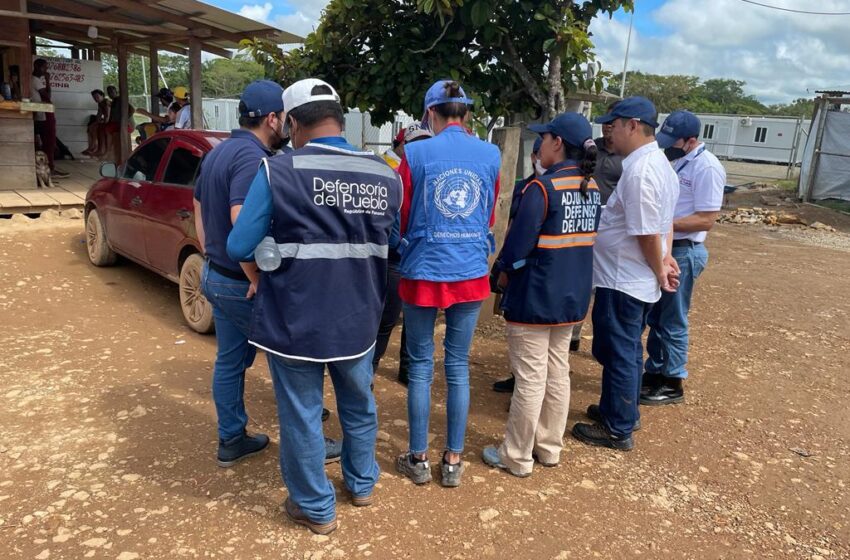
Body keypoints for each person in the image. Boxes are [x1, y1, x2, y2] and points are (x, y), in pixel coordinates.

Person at [227, 78, 401, 535]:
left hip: (295, 318)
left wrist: (275, 248)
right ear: (339, 119)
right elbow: (392, 243)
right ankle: (362, 484)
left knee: (303, 412)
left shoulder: (278, 171)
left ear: (291, 122)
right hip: (360, 316)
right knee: (359, 404)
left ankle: (315, 507)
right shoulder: (384, 172)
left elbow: (239, 243)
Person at [195, 80, 339, 469]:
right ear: (274, 119)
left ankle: (231, 437)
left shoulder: (218, 152)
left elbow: (198, 209)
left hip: (216, 276)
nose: (290, 128)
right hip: (244, 283)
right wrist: (256, 277)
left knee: (229, 361)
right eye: (287, 120)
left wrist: (212, 258)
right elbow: (241, 223)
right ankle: (313, 445)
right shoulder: (253, 159)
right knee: (290, 367)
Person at [394, 79, 500, 488]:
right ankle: (453, 460)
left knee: (420, 366)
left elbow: (401, 215)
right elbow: (488, 215)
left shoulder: (414, 153)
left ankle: (418, 458)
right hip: (469, 271)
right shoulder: (490, 154)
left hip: (423, 270)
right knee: (457, 366)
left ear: (430, 115)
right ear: (467, 114)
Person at [482, 112, 601, 477]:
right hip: (571, 298)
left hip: (535, 297)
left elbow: (517, 248)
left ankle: (516, 455)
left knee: (531, 378)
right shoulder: (592, 187)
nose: (540, 147)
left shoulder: (542, 189)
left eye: (544, 139)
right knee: (558, 373)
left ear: (557, 143)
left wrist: (498, 274)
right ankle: (549, 448)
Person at [571, 96, 679, 451]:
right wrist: (664, 259)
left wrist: (660, 265)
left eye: (614, 125)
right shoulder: (656, 165)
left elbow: (647, 231)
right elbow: (665, 225)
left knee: (618, 352)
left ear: (632, 125)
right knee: (627, 350)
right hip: (631, 278)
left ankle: (618, 429)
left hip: (624, 279)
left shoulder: (641, 170)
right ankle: (618, 411)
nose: (609, 132)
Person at [642, 110, 725, 405]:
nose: (668, 146)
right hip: (669, 247)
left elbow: (706, 219)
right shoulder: (678, 160)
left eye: (674, 141)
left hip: (685, 250)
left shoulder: (707, 168)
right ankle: (654, 371)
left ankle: (673, 380)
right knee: (658, 315)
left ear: (691, 140)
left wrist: (663, 225)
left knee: (673, 318)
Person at [373, 121, 433, 385]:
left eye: (426, 145)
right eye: (414, 145)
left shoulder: (433, 178)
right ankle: (368, 372)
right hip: (397, 259)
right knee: (386, 320)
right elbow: (393, 232)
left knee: (415, 321)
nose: (421, 151)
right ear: (403, 146)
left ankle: (407, 370)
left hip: (419, 260)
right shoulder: (391, 174)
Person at [567, 102, 627, 352]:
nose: (606, 130)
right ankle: (573, 335)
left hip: (609, 228)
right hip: (582, 221)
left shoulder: (627, 160)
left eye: (611, 126)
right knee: (579, 279)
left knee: (599, 287)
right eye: (604, 125)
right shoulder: (591, 149)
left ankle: (602, 342)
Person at [492, 136, 544, 394]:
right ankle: (516, 375)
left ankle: (525, 388)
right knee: (514, 328)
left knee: (532, 339)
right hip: (515, 261)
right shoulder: (522, 187)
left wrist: (506, 268)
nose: (538, 158)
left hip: (530, 268)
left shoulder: (544, 189)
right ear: (533, 157)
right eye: (535, 153)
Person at [31, 59, 68, 178]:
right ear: (37, 66)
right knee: (49, 142)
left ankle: (47, 168)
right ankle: (50, 169)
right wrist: (48, 80)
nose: (45, 70)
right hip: (44, 113)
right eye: (44, 67)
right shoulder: (35, 80)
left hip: (40, 114)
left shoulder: (33, 80)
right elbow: (47, 97)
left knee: (45, 143)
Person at [104, 85, 134, 165]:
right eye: (109, 92)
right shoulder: (113, 102)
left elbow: (132, 109)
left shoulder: (120, 100)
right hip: (116, 123)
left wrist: (125, 119)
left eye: (112, 92)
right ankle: (109, 150)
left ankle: (109, 150)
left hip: (124, 124)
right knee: (105, 128)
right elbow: (111, 115)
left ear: (116, 92)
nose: (110, 94)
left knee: (108, 130)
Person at [83, 89, 109, 157]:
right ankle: (92, 146)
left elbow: (108, 115)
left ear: (102, 96)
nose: (95, 99)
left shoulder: (106, 102)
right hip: (105, 120)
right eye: (94, 98)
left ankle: (94, 147)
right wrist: (96, 122)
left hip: (110, 120)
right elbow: (99, 115)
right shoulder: (100, 103)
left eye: (97, 97)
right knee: (91, 127)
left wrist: (102, 123)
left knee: (97, 128)